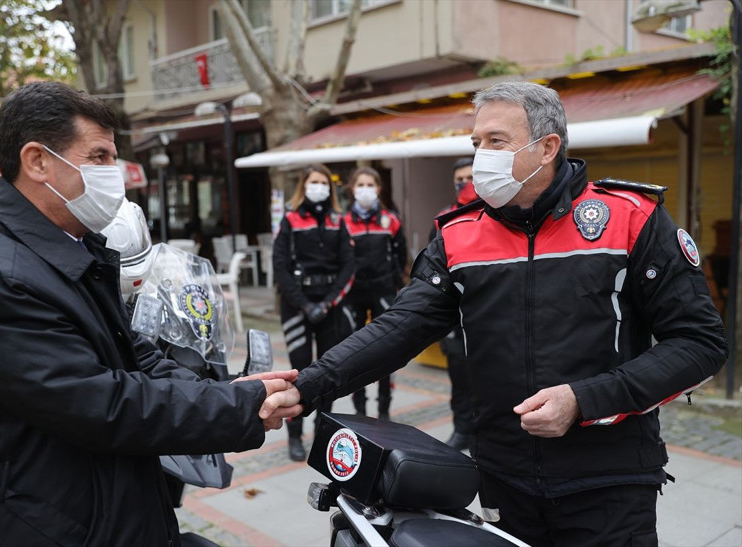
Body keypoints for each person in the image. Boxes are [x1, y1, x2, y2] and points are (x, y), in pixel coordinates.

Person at [291, 81, 728, 545]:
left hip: (610, 481)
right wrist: (307, 386)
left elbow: (700, 343)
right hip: (503, 478)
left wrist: (584, 398)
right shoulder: (458, 236)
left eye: (496, 142)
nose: (481, 156)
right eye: (476, 143)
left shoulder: (630, 218)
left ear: (547, 148)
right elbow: (400, 328)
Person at [0, 81, 300, 546]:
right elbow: (102, 405)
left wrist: (222, 391)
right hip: (31, 524)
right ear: (37, 161)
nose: (112, 173)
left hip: (91, 510)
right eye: (98, 157)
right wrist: (237, 408)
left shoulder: (64, 249)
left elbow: (132, 353)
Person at [272, 163, 355, 461]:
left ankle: (324, 436)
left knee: (329, 371)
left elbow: (349, 265)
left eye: (323, 182)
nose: (318, 187)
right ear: (304, 186)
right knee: (298, 371)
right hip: (297, 305)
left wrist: (329, 303)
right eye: (313, 182)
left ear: (329, 188)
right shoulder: (291, 219)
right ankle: (295, 435)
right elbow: (279, 267)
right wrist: (305, 304)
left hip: (330, 304)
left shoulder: (337, 220)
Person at [343, 166, 407, 420]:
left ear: (378, 189)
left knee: (385, 350)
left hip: (383, 291)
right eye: (361, 185)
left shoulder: (391, 220)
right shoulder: (343, 222)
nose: (365, 190)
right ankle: (359, 410)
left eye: (370, 185)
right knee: (355, 352)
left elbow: (401, 256)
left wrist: (394, 282)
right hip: (353, 295)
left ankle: (384, 411)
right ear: (352, 189)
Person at [427, 157, 478, 450]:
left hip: (488, 315)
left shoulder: (499, 212)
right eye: (459, 179)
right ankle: (462, 430)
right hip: (454, 317)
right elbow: (434, 273)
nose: (464, 183)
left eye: (470, 177)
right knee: (459, 382)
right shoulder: (443, 219)